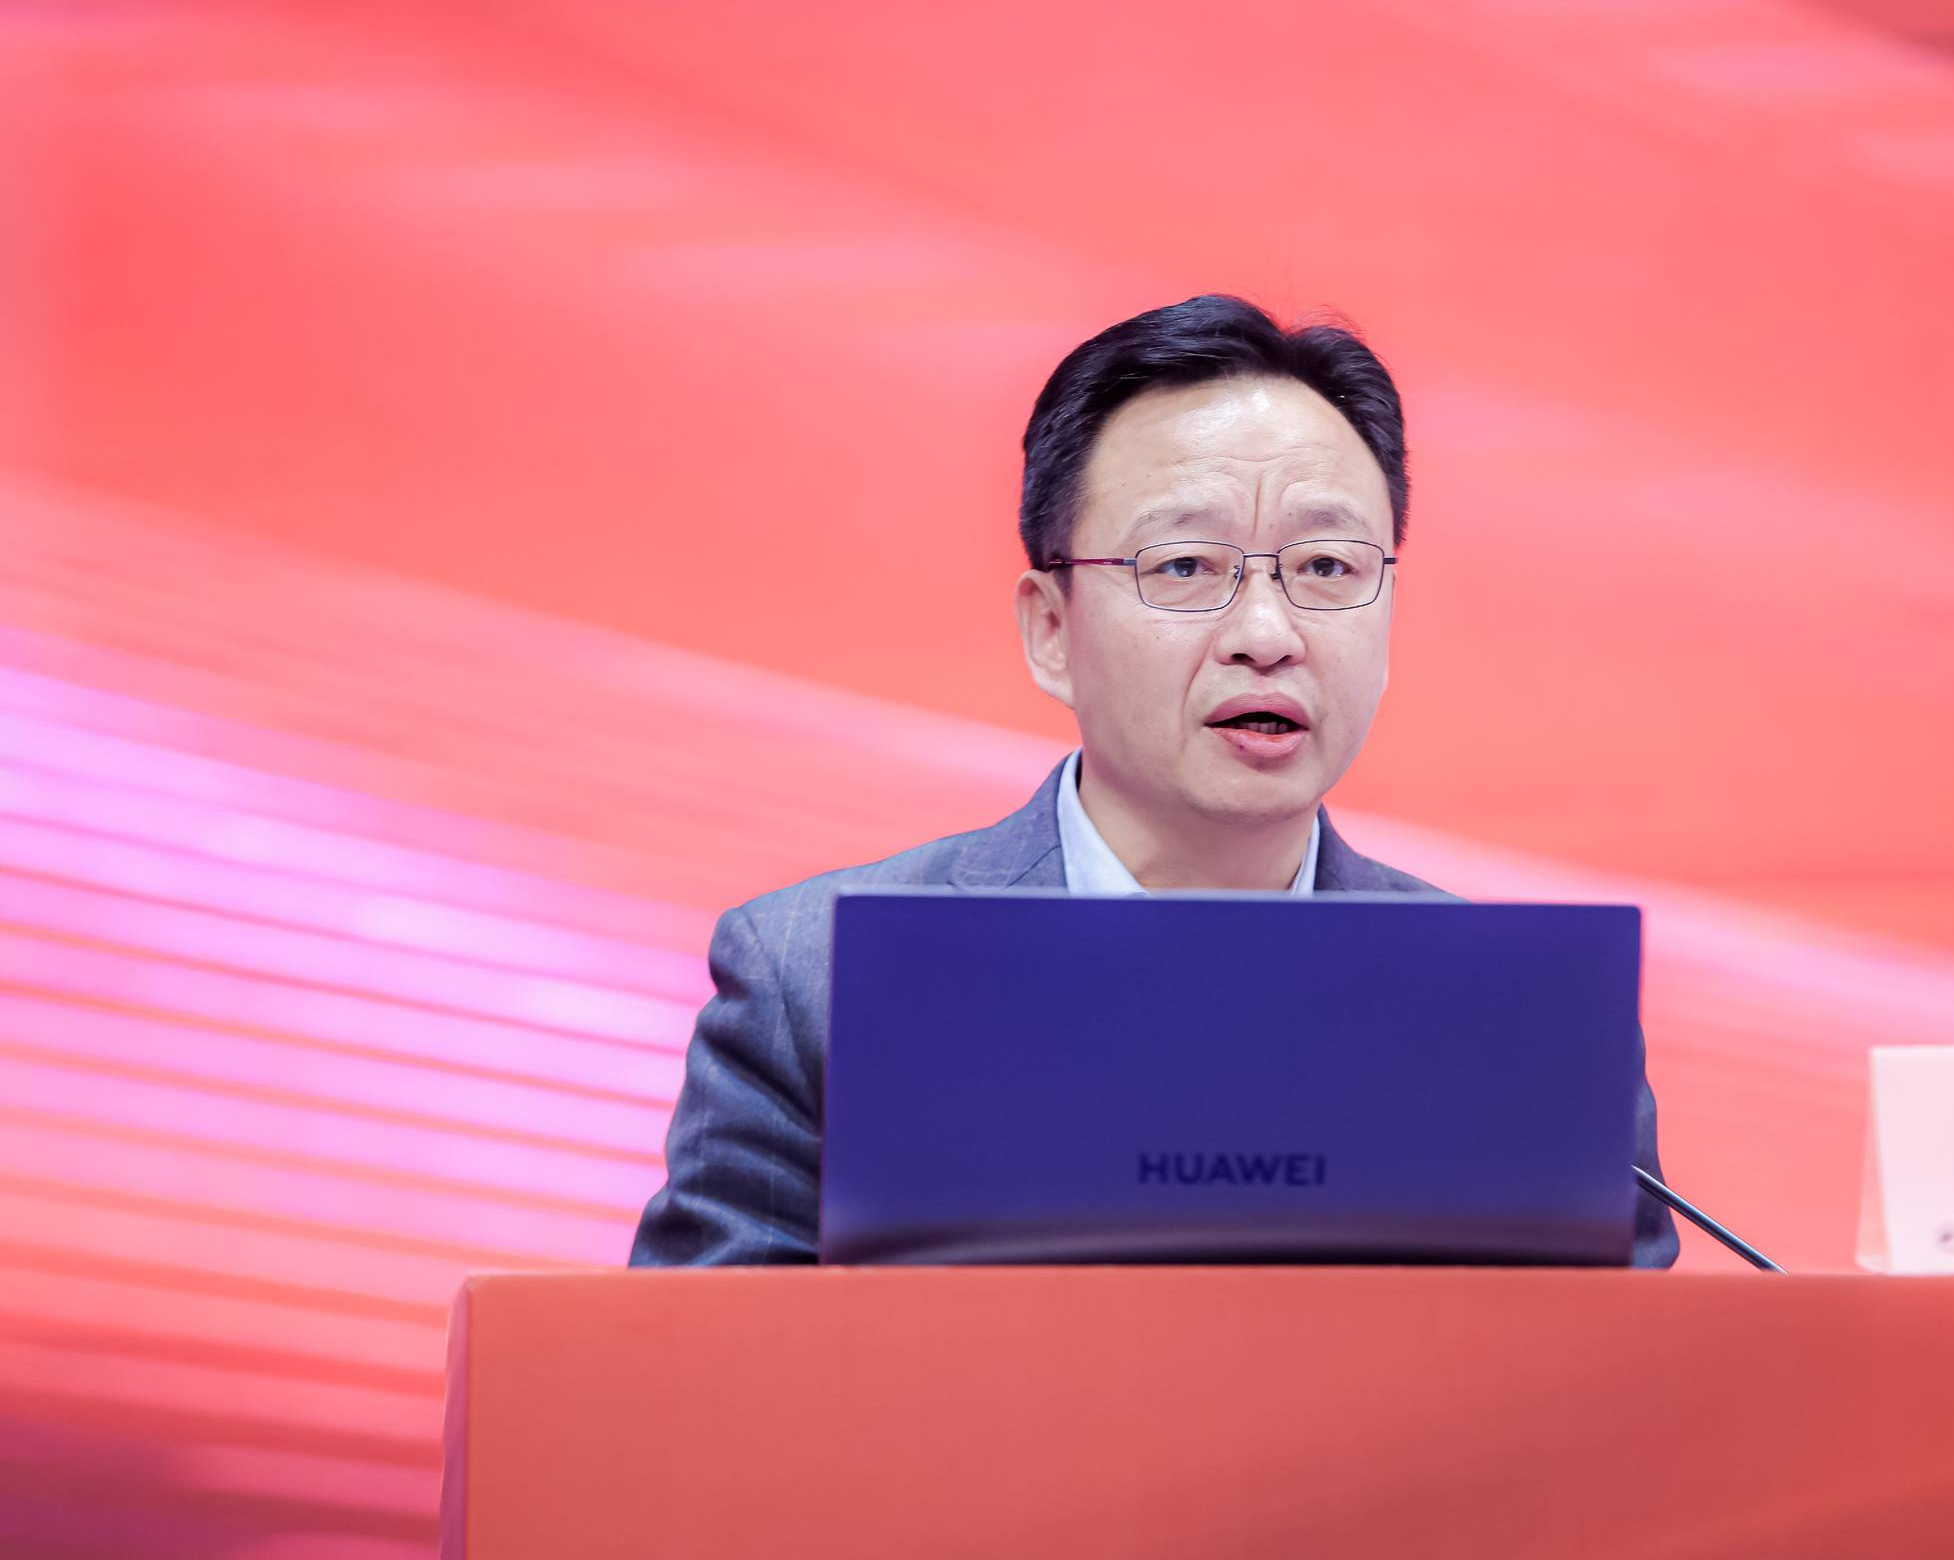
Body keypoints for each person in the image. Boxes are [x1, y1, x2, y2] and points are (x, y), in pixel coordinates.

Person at [630, 294, 1678, 1267]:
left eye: (1326, 568)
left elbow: (1625, 1388)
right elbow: (707, 1381)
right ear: (1051, 629)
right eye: (1183, 566)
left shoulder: (1523, 1024)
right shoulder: (816, 986)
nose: (1266, 634)